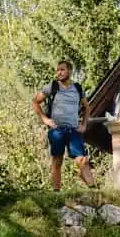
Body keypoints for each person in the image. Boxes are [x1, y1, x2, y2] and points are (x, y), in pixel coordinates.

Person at [32, 59, 95, 190]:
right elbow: (35, 102)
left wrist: (83, 125)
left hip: (73, 130)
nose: (59, 73)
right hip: (57, 130)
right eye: (58, 70)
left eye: (62, 70)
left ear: (70, 71)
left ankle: (93, 188)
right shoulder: (52, 86)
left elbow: (87, 108)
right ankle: (56, 191)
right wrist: (45, 120)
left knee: (82, 159)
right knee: (57, 160)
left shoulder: (77, 88)